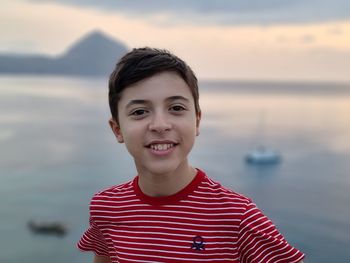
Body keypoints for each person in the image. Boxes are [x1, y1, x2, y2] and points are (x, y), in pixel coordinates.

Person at [77, 48, 305, 263]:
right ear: (117, 129)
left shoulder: (238, 218)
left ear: (196, 120)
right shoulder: (106, 207)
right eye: (139, 112)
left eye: (176, 108)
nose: (160, 125)